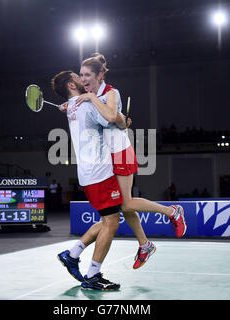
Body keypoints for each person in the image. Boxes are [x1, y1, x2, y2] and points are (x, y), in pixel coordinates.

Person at [75, 54, 187, 268]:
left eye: (87, 75)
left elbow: (109, 116)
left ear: (99, 75)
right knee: (123, 207)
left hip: (121, 153)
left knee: (125, 204)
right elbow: (108, 117)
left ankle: (172, 212)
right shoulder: (88, 94)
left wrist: (96, 103)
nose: (83, 79)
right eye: (81, 75)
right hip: (106, 158)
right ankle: (145, 245)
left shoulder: (110, 92)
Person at [52, 70, 124, 291]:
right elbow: (114, 121)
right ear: (71, 85)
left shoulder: (72, 107)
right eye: (77, 77)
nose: (82, 80)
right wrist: (123, 118)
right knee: (111, 223)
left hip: (89, 173)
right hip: (99, 172)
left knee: (108, 220)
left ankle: (72, 255)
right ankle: (93, 275)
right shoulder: (85, 105)